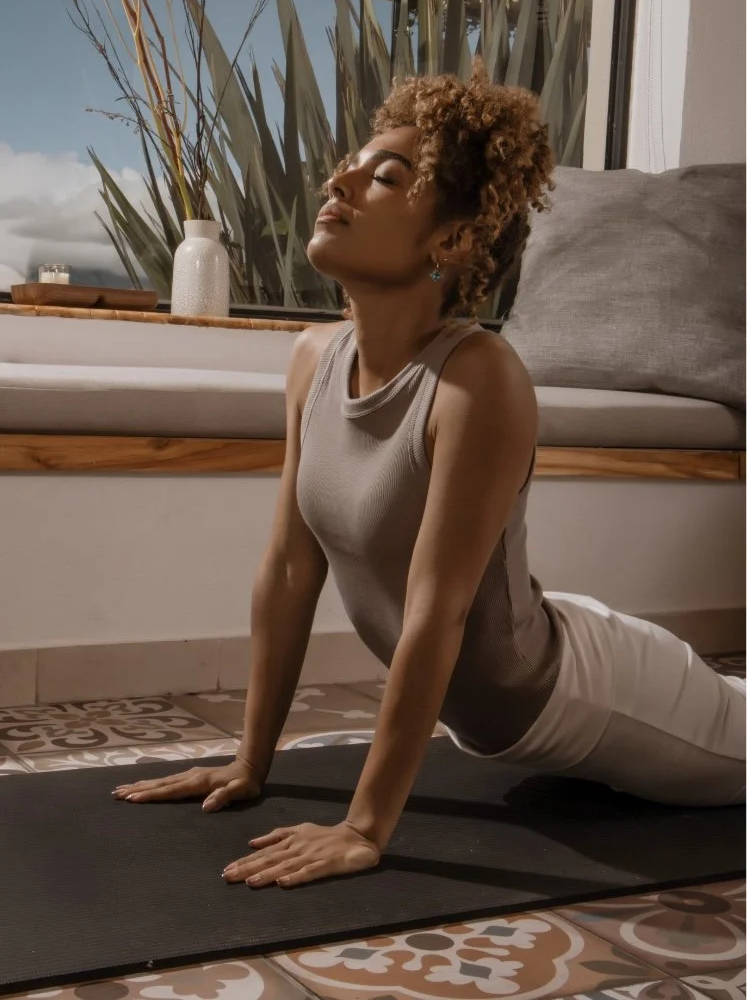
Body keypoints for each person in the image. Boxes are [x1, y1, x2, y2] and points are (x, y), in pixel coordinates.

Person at [111, 61, 746, 890]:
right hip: (535, 652)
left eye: (385, 176)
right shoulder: (312, 357)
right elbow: (290, 568)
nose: (339, 178)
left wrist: (364, 827)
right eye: (353, 163)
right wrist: (249, 762)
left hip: (590, 691)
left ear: (449, 240)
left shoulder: (477, 378)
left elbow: (435, 613)